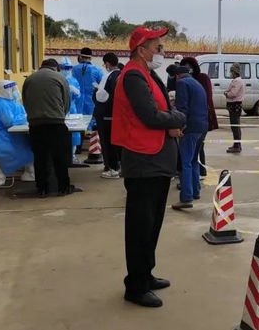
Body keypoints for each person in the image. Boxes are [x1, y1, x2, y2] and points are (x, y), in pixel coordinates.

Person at [111, 26, 186, 308]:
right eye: (158, 48)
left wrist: (171, 120)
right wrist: (177, 119)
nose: (161, 52)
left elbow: (162, 109)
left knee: (152, 224)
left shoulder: (147, 73)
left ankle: (145, 274)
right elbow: (150, 116)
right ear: (141, 50)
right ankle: (136, 286)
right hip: (144, 161)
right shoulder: (133, 75)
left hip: (156, 160)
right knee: (140, 227)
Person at [22, 58, 79, 196]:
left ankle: (42, 188)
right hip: (56, 123)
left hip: (35, 124)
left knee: (40, 157)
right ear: (56, 68)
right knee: (60, 156)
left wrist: (33, 116)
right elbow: (66, 102)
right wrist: (60, 115)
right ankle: (63, 187)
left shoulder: (29, 79)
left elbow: (25, 101)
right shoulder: (60, 78)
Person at [170, 64, 208, 210]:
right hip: (202, 126)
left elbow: (182, 108)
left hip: (190, 128)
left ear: (177, 76)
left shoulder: (182, 83)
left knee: (185, 162)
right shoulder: (197, 83)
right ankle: (195, 190)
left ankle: (186, 197)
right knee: (193, 160)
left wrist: (179, 126)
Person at [0, 80, 35, 185]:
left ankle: (30, 174)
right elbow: (10, 122)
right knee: (11, 153)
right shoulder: (0, 104)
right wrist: (26, 117)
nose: (15, 91)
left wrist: (26, 117)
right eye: (13, 89)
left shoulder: (13, 102)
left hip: (11, 134)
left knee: (30, 148)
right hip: (0, 137)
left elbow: (24, 114)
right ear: (5, 90)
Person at [180, 56, 218, 177]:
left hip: (198, 120)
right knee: (194, 153)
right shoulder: (185, 81)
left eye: (189, 67)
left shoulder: (201, 78)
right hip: (198, 121)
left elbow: (208, 99)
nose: (188, 69)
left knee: (195, 151)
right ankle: (197, 176)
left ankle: (200, 173)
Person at [94, 52, 122, 179]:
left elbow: (101, 96)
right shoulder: (122, 74)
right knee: (118, 142)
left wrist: (96, 90)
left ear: (107, 64)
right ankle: (120, 166)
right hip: (119, 115)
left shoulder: (108, 76)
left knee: (107, 142)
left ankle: (112, 168)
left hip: (106, 115)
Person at [60, 58, 83, 164]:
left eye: (68, 68)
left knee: (74, 132)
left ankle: (72, 155)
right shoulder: (57, 79)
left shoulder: (73, 81)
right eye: (64, 68)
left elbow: (78, 96)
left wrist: (76, 91)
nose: (66, 70)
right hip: (59, 109)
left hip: (72, 108)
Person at [72, 47, 103, 118]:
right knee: (90, 121)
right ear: (91, 58)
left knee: (77, 120)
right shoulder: (97, 70)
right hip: (91, 102)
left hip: (77, 101)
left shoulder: (74, 69)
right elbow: (102, 86)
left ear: (80, 57)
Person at [224, 63, 245, 154]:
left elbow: (233, 93)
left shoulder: (237, 81)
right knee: (235, 126)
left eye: (231, 71)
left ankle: (237, 146)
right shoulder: (237, 81)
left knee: (235, 126)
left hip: (235, 106)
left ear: (234, 72)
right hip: (234, 106)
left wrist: (226, 93)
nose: (231, 73)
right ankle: (236, 144)